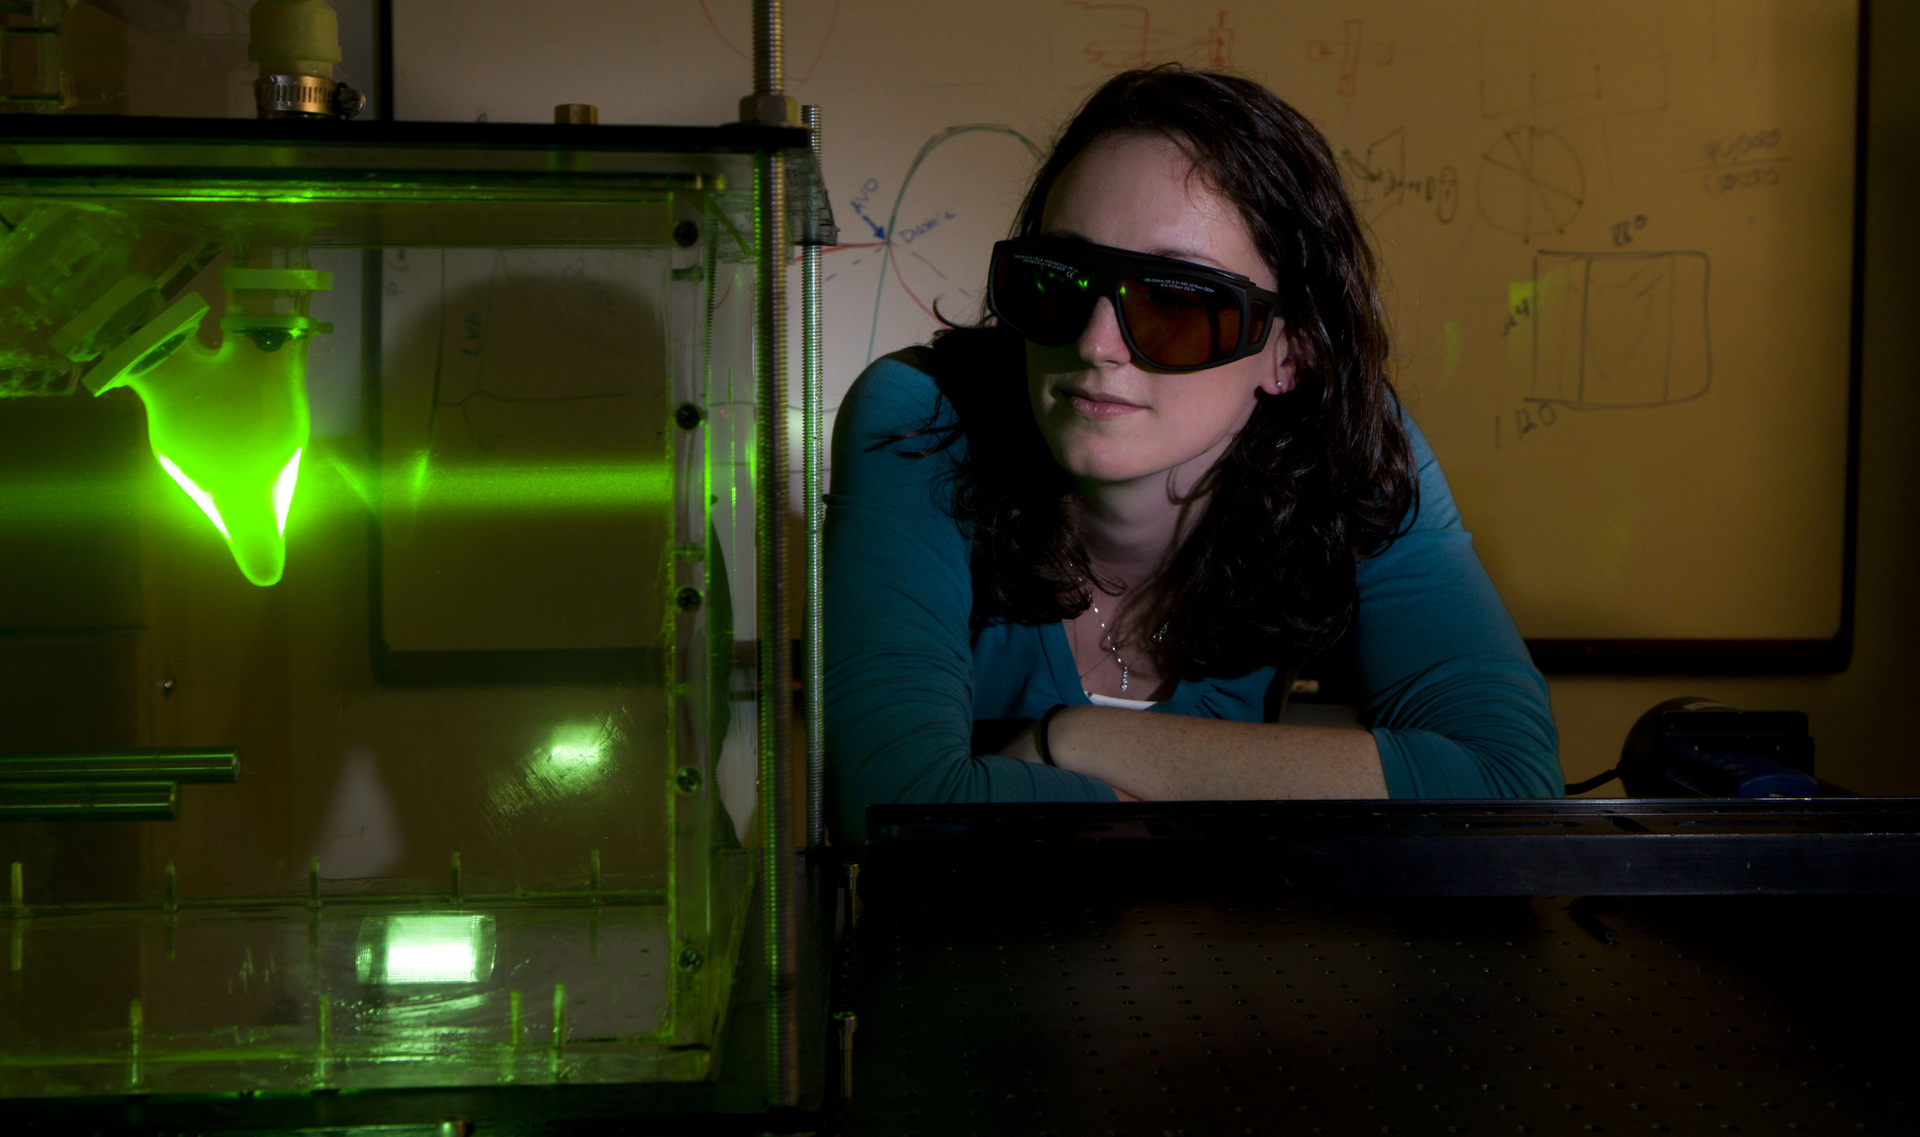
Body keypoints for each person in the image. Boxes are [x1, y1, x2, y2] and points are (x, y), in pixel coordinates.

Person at [824, 66, 1560, 843]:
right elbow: (896, 814)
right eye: (1059, 279)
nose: (1094, 342)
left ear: (1292, 352)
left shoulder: (1348, 452)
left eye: (1177, 300)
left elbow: (1509, 787)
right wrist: (1228, 809)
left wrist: (1069, 743)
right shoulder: (923, 418)